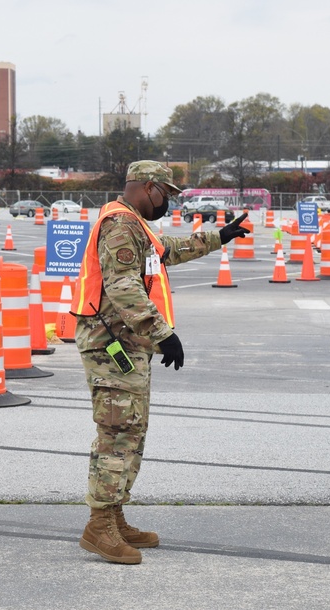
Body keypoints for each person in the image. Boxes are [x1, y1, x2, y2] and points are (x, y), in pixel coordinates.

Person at [70, 160, 250, 564]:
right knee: (117, 432)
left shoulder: (135, 224)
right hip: (111, 344)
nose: (167, 202)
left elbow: (166, 250)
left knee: (131, 429)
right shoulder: (121, 225)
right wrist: (162, 333)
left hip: (125, 342)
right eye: (165, 194)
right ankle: (100, 524)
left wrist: (218, 236)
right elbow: (122, 286)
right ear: (148, 187)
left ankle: (114, 515)